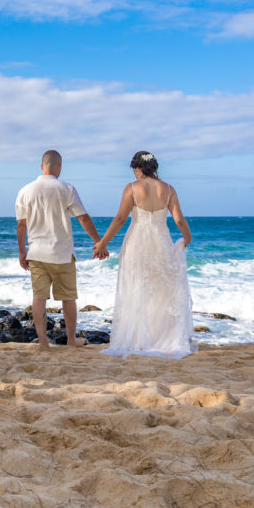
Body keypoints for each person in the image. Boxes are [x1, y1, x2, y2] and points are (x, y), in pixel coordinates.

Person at [93, 151, 196, 358]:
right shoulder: (168, 189)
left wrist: (103, 243)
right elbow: (179, 220)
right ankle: (161, 338)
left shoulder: (131, 188)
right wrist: (187, 237)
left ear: (139, 168)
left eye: (134, 169)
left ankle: (139, 339)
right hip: (161, 243)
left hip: (137, 242)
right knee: (161, 292)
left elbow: (121, 219)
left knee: (136, 288)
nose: (133, 173)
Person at [16, 150, 101, 349]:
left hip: (37, 253)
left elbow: (21, 225)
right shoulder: (67, 188)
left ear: (41, 166)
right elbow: (83, 218)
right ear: (59, 167)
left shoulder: (25, 191)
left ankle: (43, 342)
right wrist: (98, 241)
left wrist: (22, 252)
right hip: (62, 253)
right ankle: (71, 340)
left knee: (39, 298)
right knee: (68, 298)